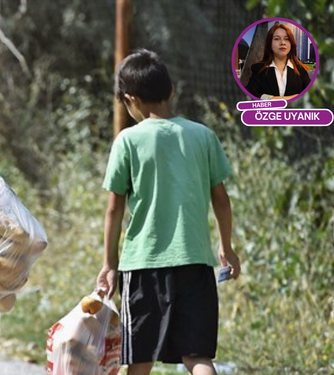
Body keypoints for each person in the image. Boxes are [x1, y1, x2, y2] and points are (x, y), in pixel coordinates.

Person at [96, 49, 241, 375]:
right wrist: (226, 247)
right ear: (171, 90)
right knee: (198, 356)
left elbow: (113, 209)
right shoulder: (203, 136)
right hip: (196, 262)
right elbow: (221, 199)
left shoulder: (128, 141)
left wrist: (109, 263)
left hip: (143, 265)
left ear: (130, 99)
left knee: (140, 359)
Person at [245, 23, 311, 100]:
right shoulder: (258, 69)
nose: (282, 42)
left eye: (286, 39)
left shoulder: (300, 69)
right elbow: (250, 93)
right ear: (269, 43)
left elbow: (309, 96)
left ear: (291, 43)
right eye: (277, 38)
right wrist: (278, 99)